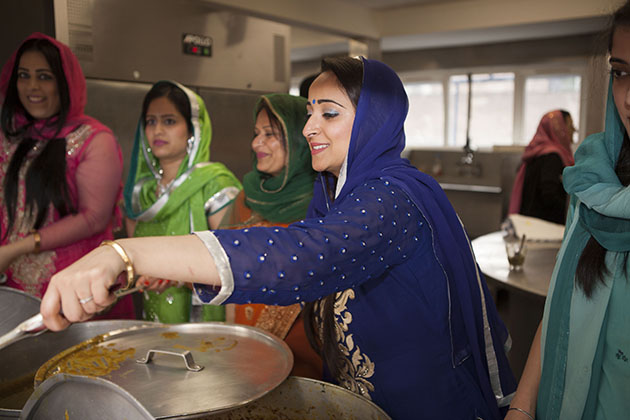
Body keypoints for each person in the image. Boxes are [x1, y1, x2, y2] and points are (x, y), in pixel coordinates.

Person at [41, 57, 516, 419]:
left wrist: (127, 253)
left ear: (374, 120)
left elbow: (301, 258)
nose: (309, 127)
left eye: (329, 114)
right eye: (310, 112)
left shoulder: (391, 197)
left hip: (422, 403)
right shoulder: (336, 194)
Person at [506, 3, 630, 419]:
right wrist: (522, 408)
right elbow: (560, 305)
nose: (629, 98)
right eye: (622, 72)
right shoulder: (593, 179)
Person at [0, 33, 133, 319]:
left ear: (65, 83)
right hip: (13, 287)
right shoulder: (11, 135)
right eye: (24, 75)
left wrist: (17, 248)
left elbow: (93, 218)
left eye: (44, 76)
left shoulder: (94, 139)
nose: (32, 87)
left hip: (77, 288)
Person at [219, 93, 321, 379]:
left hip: (303, 356)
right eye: (256, 133)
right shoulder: (247, 196)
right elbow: (222, 263)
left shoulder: (323, 205)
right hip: (246, 350)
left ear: (299, 140)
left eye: (270, 134)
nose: (256, 144)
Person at [124, 80, 241, 324]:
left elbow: (236, 260)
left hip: (203, 324)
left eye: (169, 121)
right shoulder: (141, 194)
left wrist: (179, 277)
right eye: (150, 121)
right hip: (153, 318)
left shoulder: (214, 184)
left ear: (192, 129)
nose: (157, 130)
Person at [508, 110, 576, 224]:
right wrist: (571, 211)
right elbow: (549, 194)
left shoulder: (536, 152)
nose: (574, 130)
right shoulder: (552, 156)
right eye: (570, 125)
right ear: (558, 128)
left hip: (529, 221)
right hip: (544, 225)